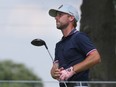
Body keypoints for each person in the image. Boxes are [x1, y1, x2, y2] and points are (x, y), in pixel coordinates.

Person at [48, 4, 101, 87]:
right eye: (56, 16)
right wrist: (55, 73)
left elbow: (96, 57)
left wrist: (71, 70)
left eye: (60, 15)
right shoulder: (59, 45)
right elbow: (55, 68)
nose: (56, 18)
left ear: (71, 18)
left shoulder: (79, 37)